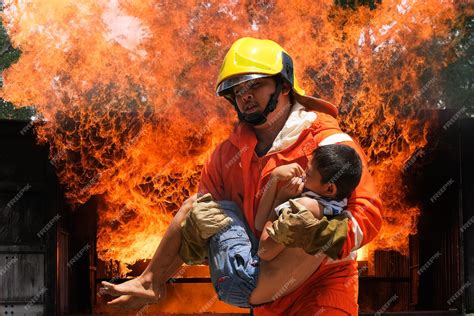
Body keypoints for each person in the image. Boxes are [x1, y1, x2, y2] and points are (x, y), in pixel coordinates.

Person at [101, 37, 383, 316]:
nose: (245, 95)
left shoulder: (328, 143)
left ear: (284, 86)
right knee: (199, 209)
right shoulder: (225, 158)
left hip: (324, 292)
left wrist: (320, 234)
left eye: (255, 85)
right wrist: (193, 243)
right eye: (237, 90)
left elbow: (368, 214)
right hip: (266, 301)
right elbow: (215, 232)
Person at [208, 144, 363, 309]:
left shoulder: (301, 208)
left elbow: (264, 248)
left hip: (243, 280)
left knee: (221, 209)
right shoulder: (337, 210)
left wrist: (280, 196)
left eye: (309, 174)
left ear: (330, 188)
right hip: (257, 295)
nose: (303, 175)